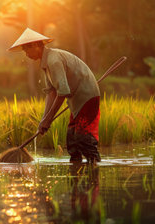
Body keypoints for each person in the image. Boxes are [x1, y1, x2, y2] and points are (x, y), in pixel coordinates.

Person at [9, 28, 101, 164]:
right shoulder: (46, 63)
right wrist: (44, 119)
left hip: (87, 98)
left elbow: (63, 92)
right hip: (77, 101)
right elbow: (51, 92)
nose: (26, 54)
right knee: (72, 142)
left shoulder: (54, 60)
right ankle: (77, 177)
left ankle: (95, 171)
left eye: (26, 50)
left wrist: (49, 118)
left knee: (83, 138)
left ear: (35, 45)